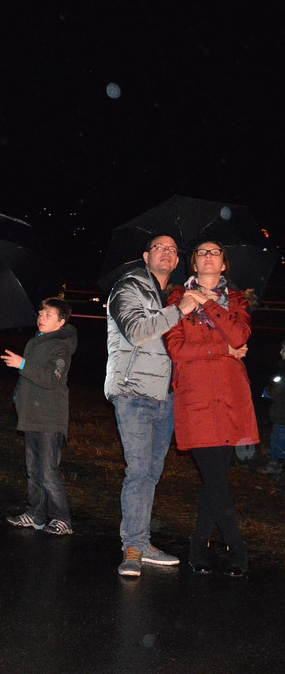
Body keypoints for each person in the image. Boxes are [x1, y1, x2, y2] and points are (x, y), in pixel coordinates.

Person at [105, 234, 205, 578]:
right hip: (134, 392)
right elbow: (136, 331)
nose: (166, 253)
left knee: (151, 473)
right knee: (138, 471)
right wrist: (180, 310)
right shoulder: (128, 287)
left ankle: (143, 542)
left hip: (166, 395)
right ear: (146, 256)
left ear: (177, 261)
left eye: (173, 250)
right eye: (159, 247)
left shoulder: (174, 295)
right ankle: (132, 547)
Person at [164, 241, 258, 576]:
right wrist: (221, 350)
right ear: (193, 264)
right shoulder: (177, 300)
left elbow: (240, 334)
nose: (207, 256)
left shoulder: (237, 300)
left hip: (231, 398)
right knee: (215, 477)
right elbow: (176, 350)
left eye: (214, 253)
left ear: (223, 265)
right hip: (197, 400)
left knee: (215, 479)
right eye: (201, 253)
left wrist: (207, 302)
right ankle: (237, 548)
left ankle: (198, 544)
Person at [2, 297, 78, 535]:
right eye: (41, 313)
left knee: (48, 472)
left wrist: (22, 364)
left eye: (48, 315)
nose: (41, 318)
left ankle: (62, 518)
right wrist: (18, 397)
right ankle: (36, 514)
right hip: (31, 416)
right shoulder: (36, 342)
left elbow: (50, 379)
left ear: (61, 322)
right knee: (33, 471)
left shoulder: (61, 347)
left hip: (49, 419)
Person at [258, 339, 285, 477]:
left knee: (277, 440)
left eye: (283, 349)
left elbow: (276, 390)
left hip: (281, 416)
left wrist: (266, 392)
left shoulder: (283, 372)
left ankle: (275, 465)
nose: (280, 352)